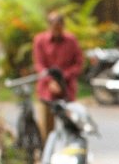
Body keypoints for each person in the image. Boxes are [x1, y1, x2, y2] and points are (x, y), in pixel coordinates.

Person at [32, 10, 83, 142]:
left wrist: (62, 79)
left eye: (59, 27)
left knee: (71, 122)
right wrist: (51, 81)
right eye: (54, 27)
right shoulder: (40, 41)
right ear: (49, 26)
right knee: (47, 127)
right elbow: (39, 64)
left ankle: (71, 149)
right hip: (47, 89)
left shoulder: (71, 40)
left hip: (67, 88)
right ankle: (46, 153)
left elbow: (78, 63)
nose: (57, 30)